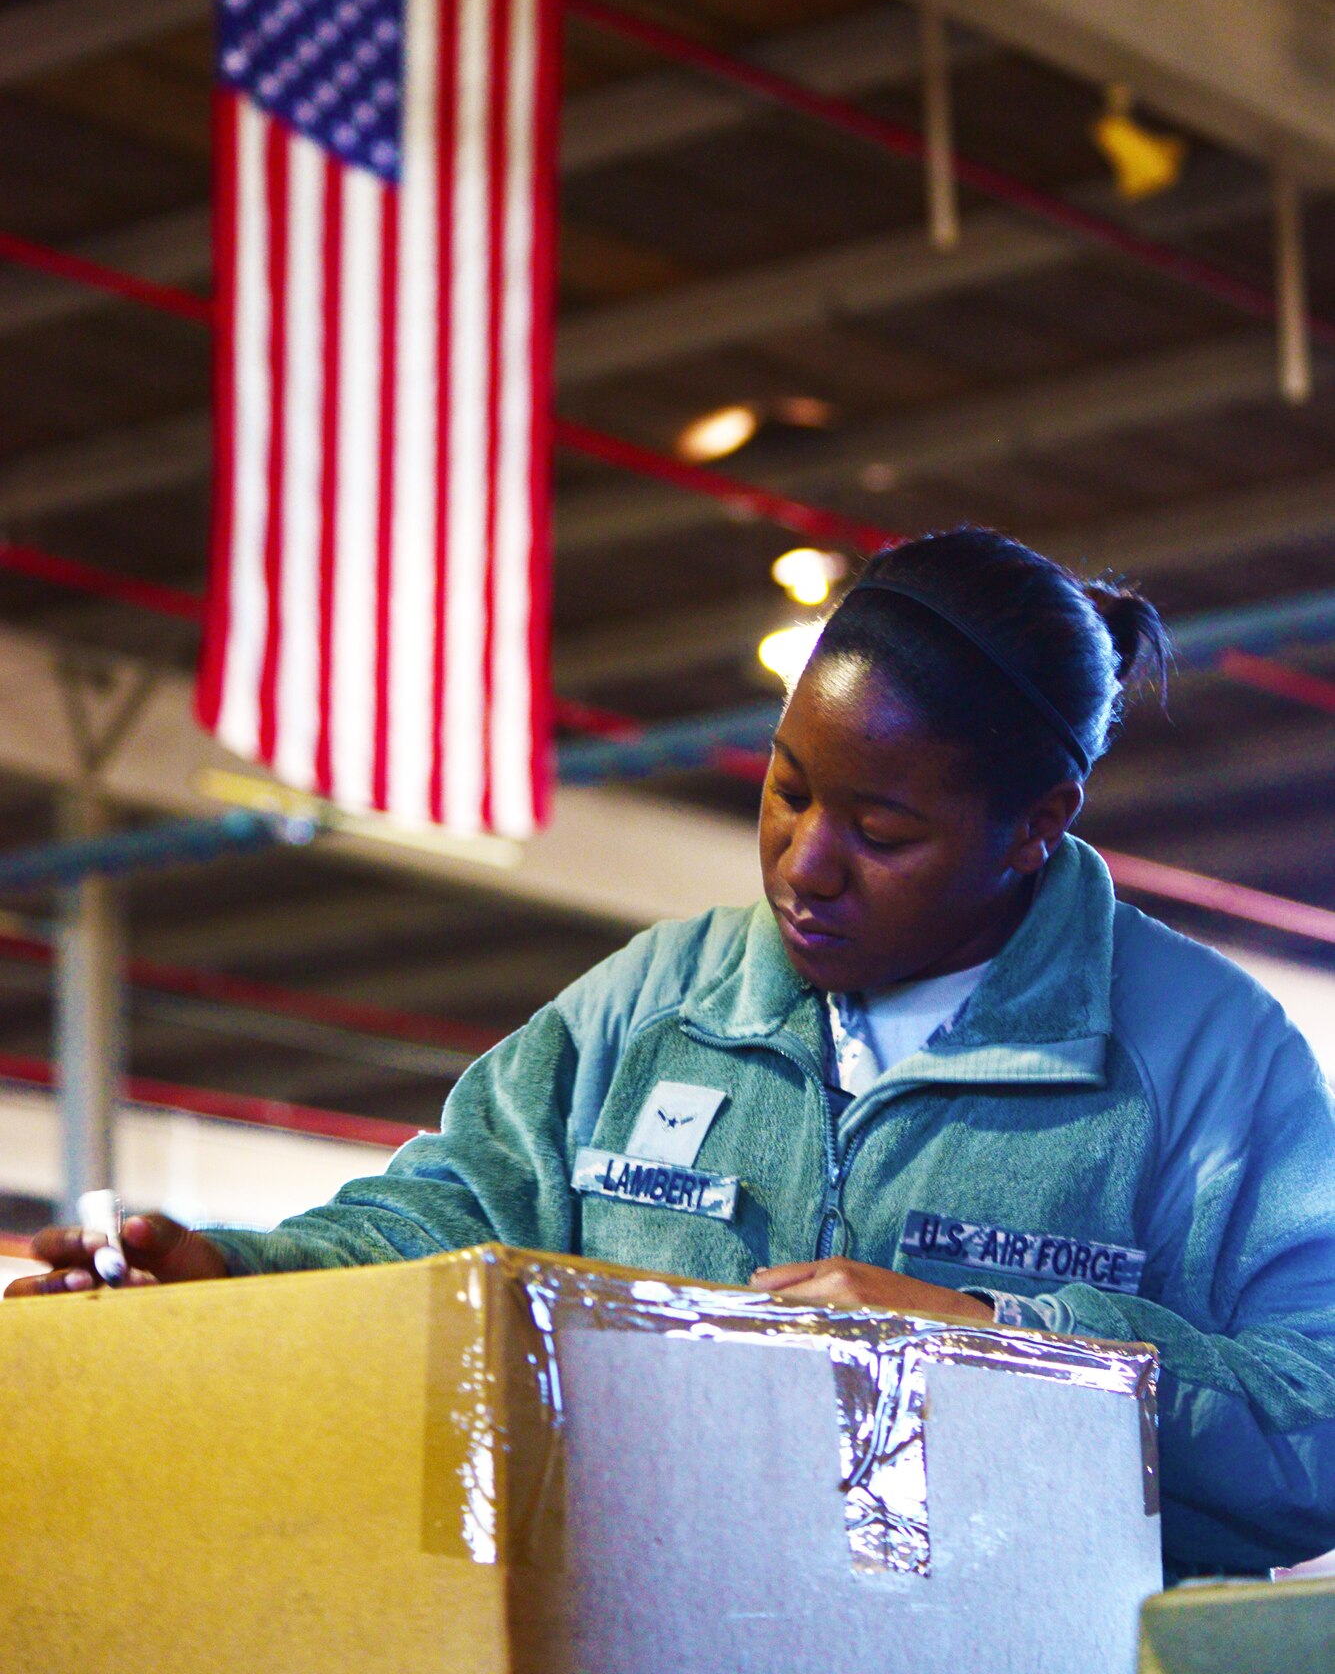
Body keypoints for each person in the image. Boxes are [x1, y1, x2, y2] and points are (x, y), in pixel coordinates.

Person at [13, 529, 1335, 1580]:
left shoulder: (1204, 1063)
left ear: (1037, 823)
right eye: (788, 789)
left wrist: (999, 1353)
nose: (805, 866)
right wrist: (238, 1277)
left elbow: (1315, 1418)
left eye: (883, 832)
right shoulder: (658, 1007)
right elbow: (451, 1217)